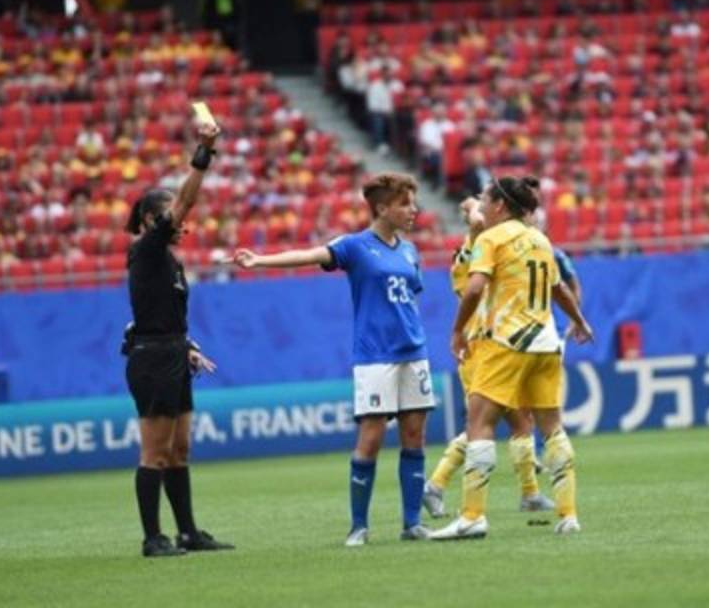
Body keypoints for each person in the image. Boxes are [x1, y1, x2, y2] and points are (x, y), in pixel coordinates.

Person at [233, 173, 433, 546]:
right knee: (371, 438)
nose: (413, 210)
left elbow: (410, 298)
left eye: (413, 203)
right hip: (375, 356)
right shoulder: (356, 246)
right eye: (405, 203)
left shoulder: (409, 251)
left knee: (414, 437)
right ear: (382, 207)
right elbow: (310, 255)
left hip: (413, 353)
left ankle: (412, 523)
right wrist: (260, 260)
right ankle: (359, 526)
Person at [430, 177, 593, 540]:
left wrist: (456, 331)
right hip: (546, 341)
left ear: (500, 206)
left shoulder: (492, 238)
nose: (482, 206)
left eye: (486, 200)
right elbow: (557, 288)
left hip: (507, 341)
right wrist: (579, 320)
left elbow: (473, 288)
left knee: (480, 423)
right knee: (552, 427)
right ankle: (568, 515)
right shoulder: (540, 239)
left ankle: (472, 516)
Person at [123, 116, 234, 557]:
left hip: (171, 352)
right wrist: (203, 154)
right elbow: (187, 200)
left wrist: (185, 346)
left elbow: (159, 313)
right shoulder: (147, 249)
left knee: (180, 448)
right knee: (155, 451)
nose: (184, 220)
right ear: (152, 219)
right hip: (152, 361)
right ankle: (153, 538)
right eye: (171, 213)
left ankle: (187, 532)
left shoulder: (169, 261)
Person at [422, 198, 556, 518]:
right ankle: (436, 485)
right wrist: (474, 211)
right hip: (480, 347)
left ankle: (530, 493)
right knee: (485, 423)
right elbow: (472, 288)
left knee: (519, 419)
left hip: (493, 345)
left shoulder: (483, 247)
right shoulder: (477, 248)